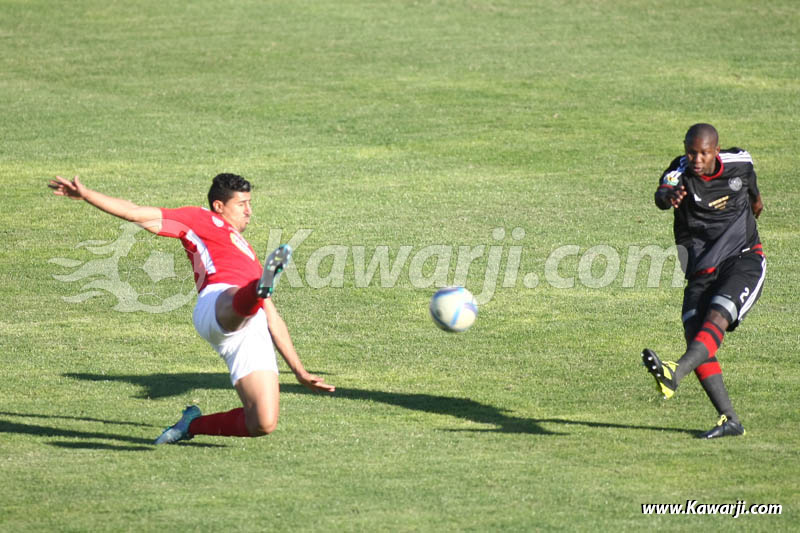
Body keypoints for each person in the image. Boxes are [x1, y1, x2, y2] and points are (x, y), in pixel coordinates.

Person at [49, 173, 335, 444]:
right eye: (242, 204)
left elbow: (273, 317)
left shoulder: (248, 251)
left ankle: (189, 426)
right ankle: (256, 290)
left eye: (250, 204)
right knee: (241, 297)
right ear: (219, 205)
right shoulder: (198, 219)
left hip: (251, 328)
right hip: (218, 303)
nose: (249, 211)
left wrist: (299, 371)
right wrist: (86, 194)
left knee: (262, 422)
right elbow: (135, 212)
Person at [642, 123, 765, 439]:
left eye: (704, 153)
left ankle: (673, 373)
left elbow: (755, 199)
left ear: (715, 150)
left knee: (718, 315)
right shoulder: (679, 171)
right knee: (694, 332)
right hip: (700, 269)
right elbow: (661, 194)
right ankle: (731, 421)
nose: (696, 159)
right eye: (691, 152)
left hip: (743, 259)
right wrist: (667, 197)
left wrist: (750, 211)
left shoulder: (739, 163)